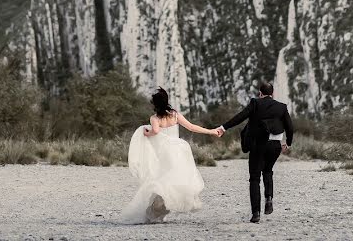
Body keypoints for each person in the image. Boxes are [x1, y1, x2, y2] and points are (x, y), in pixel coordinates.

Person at [121, 87, 220, 224]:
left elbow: (155, 131)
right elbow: (191, 127)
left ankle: (155, 212)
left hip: (164, 152)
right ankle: (163, 208)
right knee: (174, 180)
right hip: (179, 150)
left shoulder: (155, 118)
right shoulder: (174, 115)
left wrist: (147, 133)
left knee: (160, 179)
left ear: (155, 104)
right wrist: (211, 131)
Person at [216, 82, 294, 223]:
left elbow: (241, 116)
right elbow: (290, 127)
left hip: (258, 146)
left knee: (254, 178)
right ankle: (269, 198)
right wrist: (288, 143)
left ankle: (256, 213)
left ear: (260, 93)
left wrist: (224, 127)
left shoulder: (255, 103)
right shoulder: (282, 107)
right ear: (273, 93)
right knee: (268, 170)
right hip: (275, 146)